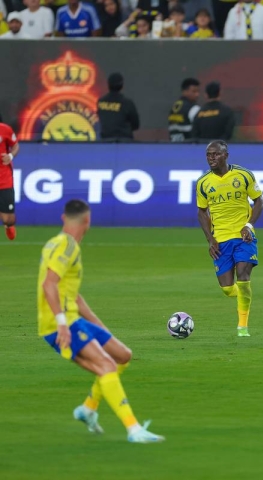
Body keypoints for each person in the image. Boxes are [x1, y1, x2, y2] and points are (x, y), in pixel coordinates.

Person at [38, 199, 164, 442]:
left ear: (64, 218)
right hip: (59, 324)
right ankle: (134, 430)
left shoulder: (56, 243)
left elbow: (72, 294)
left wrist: (100, 327)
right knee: (106, 366)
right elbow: (49, 284)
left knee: (122, 355)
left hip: (72, 319)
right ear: (88, 220)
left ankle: (87, 409)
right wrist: (61, 322)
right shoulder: (67, 247)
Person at [196, 140, 263, 337]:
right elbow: (201, 212)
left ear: (226, 155)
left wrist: (249, 226)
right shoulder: (203, 183)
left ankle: (242, 326)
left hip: (244, 237)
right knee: (227, 288)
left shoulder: (243, 175)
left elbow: (259, 200)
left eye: (215, 154)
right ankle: (244, 296)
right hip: (221, 239)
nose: (211, 158)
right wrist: (210, 240)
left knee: (243, 275)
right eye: (209, 155)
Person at [97, 73, 140, 141]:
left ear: (108, 85)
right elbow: (136, 125)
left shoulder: (100, 102)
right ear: (122, 85)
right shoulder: (127, 103)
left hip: (106, 142)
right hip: (124, 142)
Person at [0, 120, 18, 241]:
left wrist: (10, 156)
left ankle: (8, 225)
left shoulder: (5, 129)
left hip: (4, 179)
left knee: (8, 219)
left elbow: (16, 146)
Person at [168, 78, 201, 143]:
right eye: (194, 91)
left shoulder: (175, 106)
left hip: (174, 146)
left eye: (198, 91)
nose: (197, 94)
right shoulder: (194, 108)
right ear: (185, 91)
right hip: (190, 147)